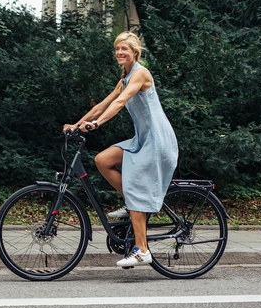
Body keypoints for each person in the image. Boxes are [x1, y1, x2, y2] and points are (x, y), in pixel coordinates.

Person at [62, 31, 178, 267]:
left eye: (124, 48)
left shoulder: (140, 74)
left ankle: (142, 250)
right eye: (117, 49)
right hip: (143, 139)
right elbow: (104, 104)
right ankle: (131, 200)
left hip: (157, 141)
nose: (119, 52)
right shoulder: (125, 77)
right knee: (103, 160)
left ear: (135, 51)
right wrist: (76, 124)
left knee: (135, 187)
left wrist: (96, 124)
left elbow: (120, 102)